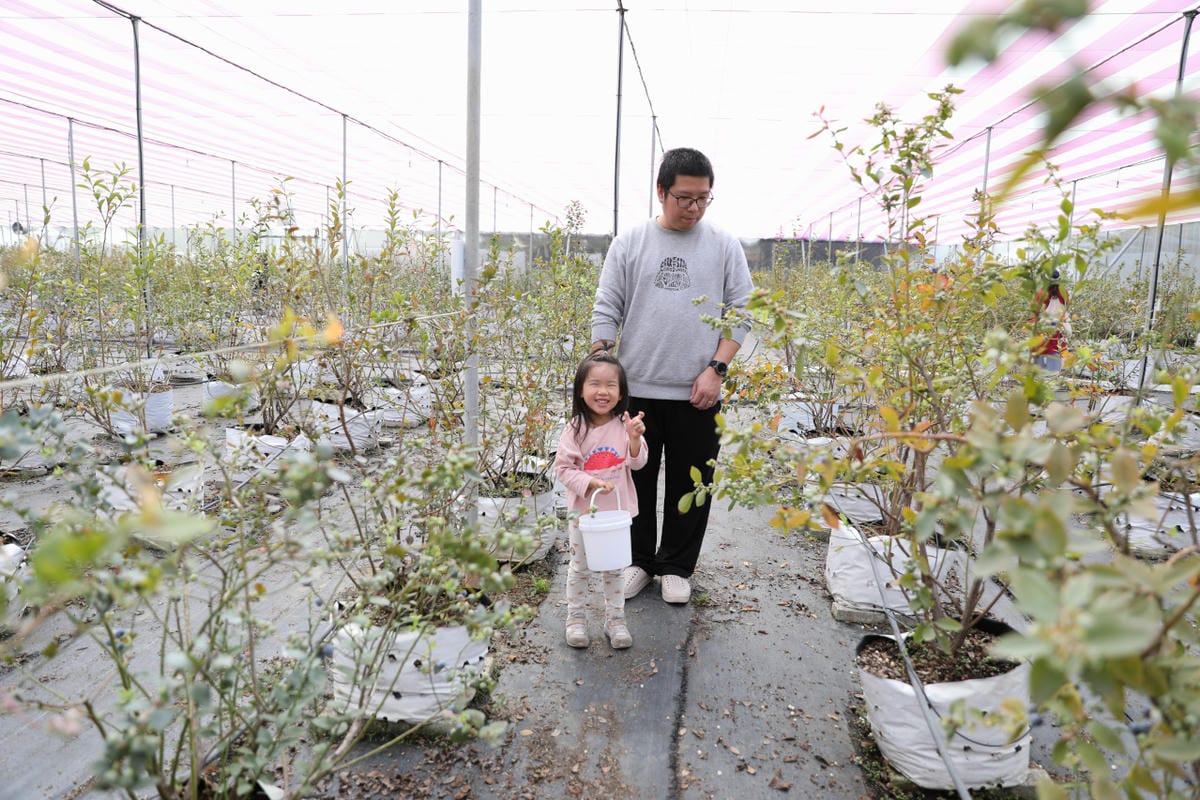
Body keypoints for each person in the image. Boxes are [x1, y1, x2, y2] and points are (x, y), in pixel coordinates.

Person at [590, 147, 754, 605]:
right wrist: (603, 373)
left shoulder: (723, 245)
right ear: (661, 192)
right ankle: (639, 561)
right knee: (632, 480)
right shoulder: (631, 243)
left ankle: (678, 566)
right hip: (636, 388)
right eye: (684, 197)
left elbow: (741, 311)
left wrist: (716, 369)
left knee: (692, 480)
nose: (694, 208)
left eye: (703, 198)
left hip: (697, 391)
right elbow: (608, 306)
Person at [553, 353, 648, 649]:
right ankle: (576, 618)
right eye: (594, 384)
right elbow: (564, 469)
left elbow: (638, 463)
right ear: (581, 389)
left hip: (617, 516)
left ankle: (616, 619)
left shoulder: (625, 425)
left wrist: (634, 439)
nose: (602, 391)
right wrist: (589, 482)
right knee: (580, 567)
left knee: (615, 568)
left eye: (611, 385)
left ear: (621, 393)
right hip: (584, 516)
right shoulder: (576, 429)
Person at [1033, 273, 1070, 372]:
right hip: (1057, 328)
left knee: (1038, 355)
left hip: (1042, 329)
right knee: (1055, 351)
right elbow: (1066, 308)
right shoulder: (1064, 292)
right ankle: (1054, 379)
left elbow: (1035, 312)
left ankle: (1038, 380)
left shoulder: (1041, 293)